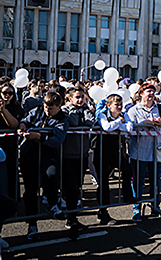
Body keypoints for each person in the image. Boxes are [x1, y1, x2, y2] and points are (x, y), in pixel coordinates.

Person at [19, 92, 69, 240]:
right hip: (30, 154)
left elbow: (57, 139)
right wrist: (22, 125)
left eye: (51, 108)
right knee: (30, 190)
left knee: (52, 175)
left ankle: (52, 202)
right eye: (46, 107)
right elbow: (26, 119)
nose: (48, 110)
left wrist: (39, 136)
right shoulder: (37, 111)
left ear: (59, 107)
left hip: (48, 153)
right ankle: (32, 224)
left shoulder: (62, 119)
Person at [126, 83, 161, 222]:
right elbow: (129, 129)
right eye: (148, 91)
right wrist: (145, 123)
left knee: (155, 182)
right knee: (138, 182)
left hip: (156, 151)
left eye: (153, 91)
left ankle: (155, 207)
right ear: (141, 94)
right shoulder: (133, 110)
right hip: (139, 151)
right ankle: (136, 210)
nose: (151, 94)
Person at [61, 87, 95, 239]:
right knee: (70, 188)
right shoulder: (66, 111)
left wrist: (86, 110)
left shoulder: (85, 109)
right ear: (69, 99)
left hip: (81, 155)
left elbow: (91, 122)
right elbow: (74, 123)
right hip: (68, 155)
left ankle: (73, 217)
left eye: (82, 97)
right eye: (77, 97)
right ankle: (71, 219)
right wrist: (73, 110)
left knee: (77, 187)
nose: (81, 100)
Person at [95, 93, 134, 225]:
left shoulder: (124, 115)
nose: (119, 107)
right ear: (109, 105)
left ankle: (127, 195)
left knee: (127, 168)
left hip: (114, 151)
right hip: (100, 152)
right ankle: (103, 212)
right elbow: (106, 127)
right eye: (116, 104)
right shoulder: (103, 114)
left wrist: (117, 124)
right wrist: (118, 123)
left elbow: (129, 129)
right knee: (104, 183)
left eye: (121, 104)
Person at [0, 82, 24, 201]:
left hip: (9, 144)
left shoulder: (15, 107)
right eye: (5, 92)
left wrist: (4, 110)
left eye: (10, 93)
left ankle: (12, 199)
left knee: (10, 171)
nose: (7, 95)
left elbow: (14, 124)